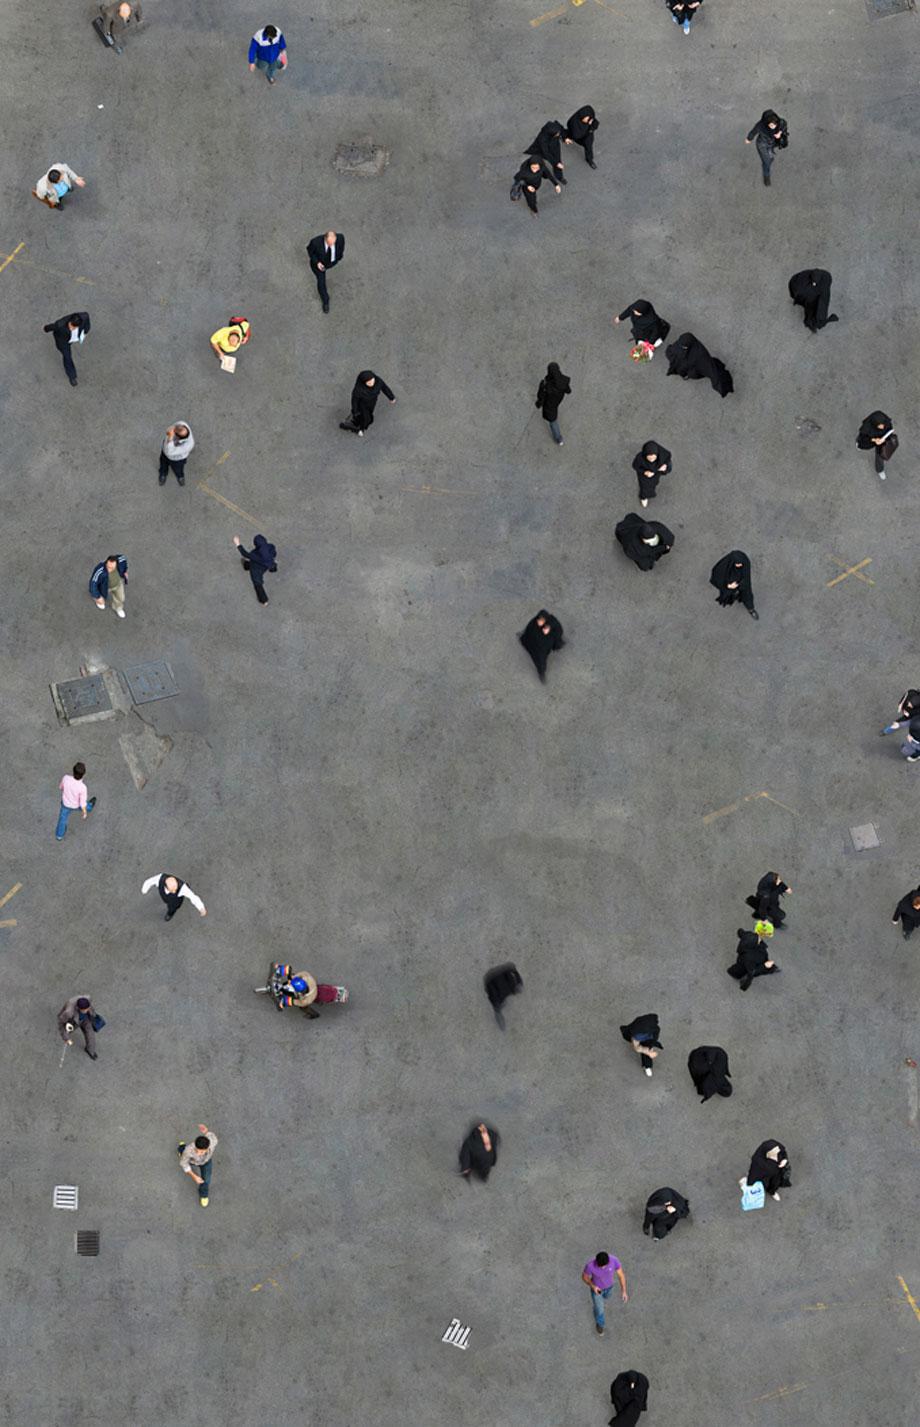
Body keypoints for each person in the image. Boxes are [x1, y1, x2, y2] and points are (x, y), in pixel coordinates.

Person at [665, 332, 733, 397]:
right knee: (712, 368)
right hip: (697, 364)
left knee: (711, 369)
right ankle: (722, 381)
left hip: (694, 368)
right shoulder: (693, 350)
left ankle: (722, 382)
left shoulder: (677, 358)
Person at [582, 1251, 627, 1336]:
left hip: (609, 1287)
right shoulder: (590, 1265)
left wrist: (624, 1291)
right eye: (600, 1266)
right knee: (600, 1309)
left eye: (604, 1266)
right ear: (596, 1261)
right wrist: (593, 1286)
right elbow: (584, 1277)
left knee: (607, 1297)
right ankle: (600, 1324)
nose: (602, 1268)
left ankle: (598, 1305)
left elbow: (621, 1276)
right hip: (597, 1291)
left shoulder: (614, 1260)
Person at [339, 370, 396, 435]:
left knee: (368, 414)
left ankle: (356, 423)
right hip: (362, 405)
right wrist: (355, 411)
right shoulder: (358, 390)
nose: (372, 383)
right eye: (369, 383)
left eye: (372, 380)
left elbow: (385, 388)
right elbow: (354, 401)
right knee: (365, 417)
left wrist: (391, 397)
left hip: (372, 402)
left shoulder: (378, 381)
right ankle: (360, 429)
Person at [43, 311, 91, 387]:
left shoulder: (84, 316)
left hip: (73, 338)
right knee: (67, 357)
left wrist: (86, 330)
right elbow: (52, 327)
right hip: (63, 343)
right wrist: (46, 329)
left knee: (67, 356)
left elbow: (87, 318)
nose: (71, 328)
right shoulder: (60, 324)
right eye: (70, 325)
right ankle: (72, 376)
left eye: (74, 327)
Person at [518, 610, 565, 683]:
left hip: (544, 647)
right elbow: (528, 631)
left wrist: (549, 628)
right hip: (535, 647)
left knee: (541, 660)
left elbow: (558, 631)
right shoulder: (533, 624)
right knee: (540, 660)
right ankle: (541, 674)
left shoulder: (552, 624)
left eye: (542, 620)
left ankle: (542, 673)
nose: (539, 622)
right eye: (539, 620)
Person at [745, 109, 789, 187]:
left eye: (775, 124)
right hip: (763, 144)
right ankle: (766, 175)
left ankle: (770, 156)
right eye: (771, 125)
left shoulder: (779, 121)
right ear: (766, 123)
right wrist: (749, 139)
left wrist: (779, 133)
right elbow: (753, 132)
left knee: (769, 156)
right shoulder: (760, 125)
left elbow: (784, 124)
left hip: (773, 143)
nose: (774, 127)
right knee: (767, 162)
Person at [177, 1125, 217, 1207]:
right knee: (184, 1154)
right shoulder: (189, 1150)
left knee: (206, 1180)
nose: (198, 1154)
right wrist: (194, 1176)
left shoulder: (212, 1142)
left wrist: (206, 1131)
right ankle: (181, 1148)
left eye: (201, 1152)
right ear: (195, 1145)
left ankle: (204, 1194)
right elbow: (184, 1164)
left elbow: (213, 1137)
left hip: (206, 1162)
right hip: (192, 1161)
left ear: (208, 1147)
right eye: (197, 1151)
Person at [710, 551, 758, 618]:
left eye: (741, 564)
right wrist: (728, 585)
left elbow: (747, 576)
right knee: (729, 593)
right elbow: (717, 578)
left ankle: (751, 609)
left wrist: (742, 583)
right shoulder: (722, 567)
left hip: (742, 583)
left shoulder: (745, 562)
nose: (740, 565)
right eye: (738, 564)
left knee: (747, 594)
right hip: (730, 584)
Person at [232, 533, 277, 605]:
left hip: (256, 568)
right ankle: (247, 566)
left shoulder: (255, 554)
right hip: (266, 566)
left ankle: (264, 600)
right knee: (254, 564)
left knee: (257, 583)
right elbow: (274, 554)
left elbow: (245, 554)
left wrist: (238, 544)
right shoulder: (271, 547)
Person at [55, 761, 96, 840]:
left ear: (73, 771)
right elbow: (82, 803)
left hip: (65, 804)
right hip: (76, 805)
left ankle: (59, 835)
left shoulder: (66, 778)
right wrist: (84, 812)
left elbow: (61, 787)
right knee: (86, 806)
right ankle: (90, 807)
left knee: (62, 819)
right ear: (83, 775)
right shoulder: (83, 787)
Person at [141, 873, 207, 921]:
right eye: (172, 890)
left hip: (175, 901)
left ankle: (170, 914)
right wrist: (144, 890)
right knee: (166, 901)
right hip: (165, 897)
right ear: (165, 886)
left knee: (172, 908)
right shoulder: (160, 878)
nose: (175, 891)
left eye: (175, 888)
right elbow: (149, 881)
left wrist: (201, 908)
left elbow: (193, 897)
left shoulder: (182, 888)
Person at [306, 230, 345, 314]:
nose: (331, 245)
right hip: (319, 266)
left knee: (322, 280)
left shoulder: (340, 238)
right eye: (329, 243)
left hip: (331, 262)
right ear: (325, 238)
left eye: (333, 243)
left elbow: (341, 247)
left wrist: (339, 257)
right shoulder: (315, 242)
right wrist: (317, 263)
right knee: (321, 283)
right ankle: (325, 301)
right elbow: (310, 251)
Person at [535, 362, 571, 446]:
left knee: (553, 421)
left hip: (549, 406)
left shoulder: (546, 385)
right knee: (553, 416)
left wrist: (541, 388)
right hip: (558, 400)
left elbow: (541, 396)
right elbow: (568, 391)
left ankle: (559, 438)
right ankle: (559, 439)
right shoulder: (563, 380)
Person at [857, 410, 898, 481]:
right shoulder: (867, 427)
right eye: (880, 425)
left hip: (882, 440)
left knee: (880, 456)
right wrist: (874, 440)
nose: (882, 427)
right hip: (870, 439)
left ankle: (880, 470)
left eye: (883, 424)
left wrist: (884, 440)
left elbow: (889, 430)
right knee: (862, 443)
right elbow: (864, 437)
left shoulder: (886, 422)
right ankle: (858, 444)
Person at [524, 121, 567, 185]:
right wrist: (556, 163)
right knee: (537, 162)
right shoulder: (542, 139)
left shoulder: (555, 127)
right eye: (557, 134)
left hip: (555, 146)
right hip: (543, 150)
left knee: (558, 160)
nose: (558, 134)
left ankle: (559, 177)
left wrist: (565, 138)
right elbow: (546, 153)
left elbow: (562, 129)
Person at [58, 995, 101, 1060]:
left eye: (88, 1008)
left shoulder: (88, 998)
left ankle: (90, 1050)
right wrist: (66, 1039)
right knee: (68, 1031)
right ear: (79, 1008)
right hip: (73, 1021)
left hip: (85, 1019)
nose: (87, 1010)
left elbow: (90, 1010)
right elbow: (61, 1024)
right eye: (85, 1010)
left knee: (90, 1034)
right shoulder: (69, 1012)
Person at [484, 962, 523, 1030]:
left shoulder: (512, 987)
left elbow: (511, 967)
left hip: (492, 979)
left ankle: (503, 1029)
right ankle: (503, 1029)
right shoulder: (511, 987)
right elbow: (512, 968)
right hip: (492, 980)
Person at [631, 442, 672, 508]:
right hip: (644, 476)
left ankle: (648, 492)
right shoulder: (640, 458)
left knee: (654, 483)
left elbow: (668, 466)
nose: (651, 460)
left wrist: (664, 468)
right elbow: (635, 466)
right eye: (649, 458)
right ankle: (643, 497)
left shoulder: (663, 456)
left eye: (653, 458)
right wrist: (645, 472)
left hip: (655, 474)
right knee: (644, 487)